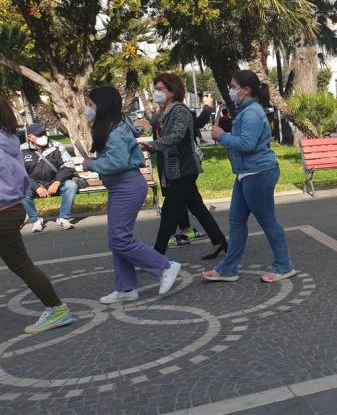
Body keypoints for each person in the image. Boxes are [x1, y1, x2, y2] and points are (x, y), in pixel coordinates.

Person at [82, 86, 181, 303]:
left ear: (103, 106)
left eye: (90, 104)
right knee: (117, 238)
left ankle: (165, 266)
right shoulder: (111, 126)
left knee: (119, 238)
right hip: (121, 186)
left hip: (126, 186)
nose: (87, 108)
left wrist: (91, 164)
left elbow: (116, 163)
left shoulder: (115, 131)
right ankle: (126, 288)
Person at [204, 71, 297, 282]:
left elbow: (247, 144)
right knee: (236, 221)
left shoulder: (252, 113)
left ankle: (284, 265)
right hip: (246, 173)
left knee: (267, 221)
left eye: (234, 86)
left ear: (246, 90)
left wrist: (222, 136)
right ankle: (228, 268)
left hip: (258, 173)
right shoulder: (246, 110)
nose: (231, 90)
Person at [0, 96, 74, 334]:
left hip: (4, 211)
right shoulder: (8, 139)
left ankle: (56, 309)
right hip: (11, 208)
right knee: (21, 264)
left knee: (21, 265)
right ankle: (55, 308)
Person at [142, 73, 227, 261]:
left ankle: (157, 257)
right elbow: (166, 143)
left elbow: (177, 136)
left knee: (169, 213)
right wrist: (164, 172)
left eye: (160, 89)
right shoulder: (166, 111)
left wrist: (151, 145)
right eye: (155, 89)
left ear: (172, 91)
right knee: (197, 207)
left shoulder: (179, 110)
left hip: (184, 169)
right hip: (175, 169)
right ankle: (219, 241)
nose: (156, 92)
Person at [20, 123, 79, 232]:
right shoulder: (22, 150)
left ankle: (63, 218)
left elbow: (69, 165)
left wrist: (57, 182)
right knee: (22, 191)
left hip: (55, 182)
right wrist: (36, 187)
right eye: (39, 134)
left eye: (44, 133)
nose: (43, 136)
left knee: (71, 186)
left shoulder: (56, 145)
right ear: (30, 137)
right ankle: (35, 219)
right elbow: (20, 173)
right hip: (34, 185)